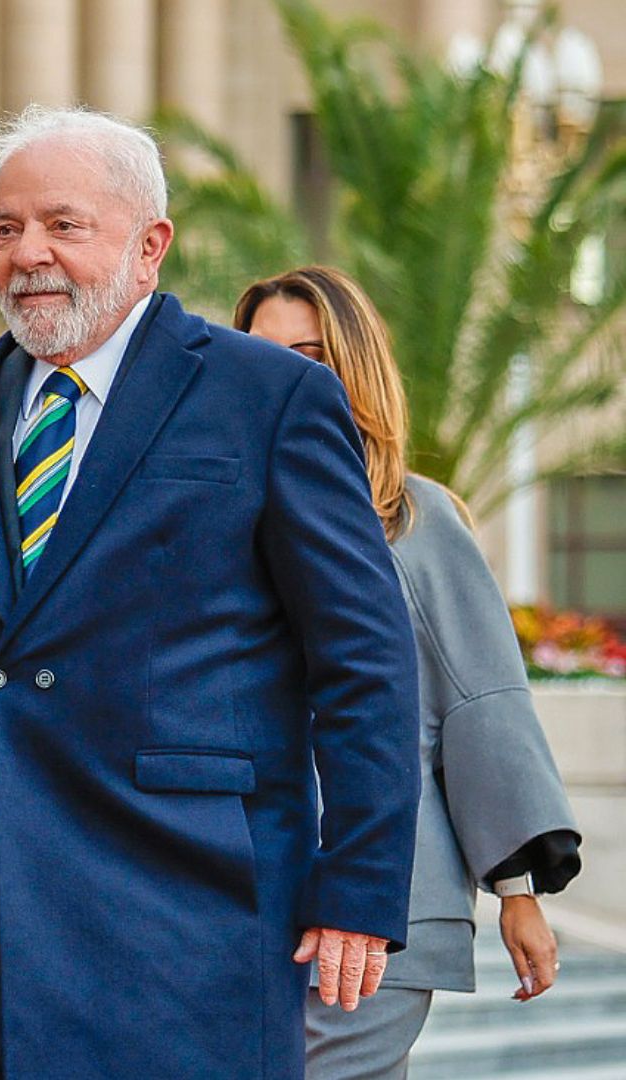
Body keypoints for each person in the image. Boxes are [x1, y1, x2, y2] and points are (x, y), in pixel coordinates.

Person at [0, 105, 421, 1078]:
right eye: (6, 229)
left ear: (150, 244)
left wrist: (361, 885)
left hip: (201, 911)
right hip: (2, 907)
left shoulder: (269, 399)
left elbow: (364, 657)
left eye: (63, 225)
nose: (29, 253)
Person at [238, 265, 582, 1080]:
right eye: (260, 357)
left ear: (355, 369)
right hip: (252, 894)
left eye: (311, 356)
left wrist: (519, 892)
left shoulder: (418, 521)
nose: (284, 378)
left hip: (391, 897)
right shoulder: (227, 516)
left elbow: (482, 707)